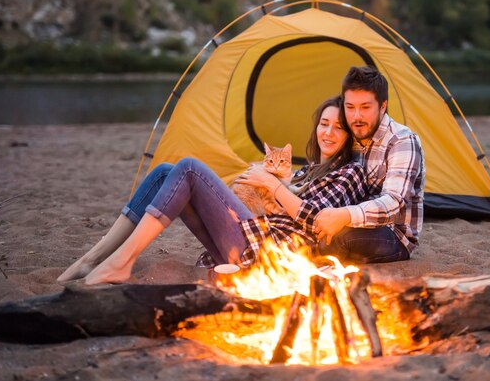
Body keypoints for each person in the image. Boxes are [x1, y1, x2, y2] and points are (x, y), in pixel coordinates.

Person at [57, 96, 367, 285]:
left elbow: (314, 222)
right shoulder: (309, 169)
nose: (328, 132)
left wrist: (269, 183)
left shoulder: (350, 172)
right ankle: (94, 257)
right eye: (324, 123)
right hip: (249, 233)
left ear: (350, 134)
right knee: (165, 172)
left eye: (338, 127)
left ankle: (121, 263)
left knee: (189, 167)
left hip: (266, 249)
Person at [314, 66, 425, 264]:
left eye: (365, 107)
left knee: (335, 240)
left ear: (383, 106)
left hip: (392, 234)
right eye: (350, 107)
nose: (356, 116)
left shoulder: (402, 141)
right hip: (344, 216)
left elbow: (393, 203)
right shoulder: (349, 132)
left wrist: (344, 215)